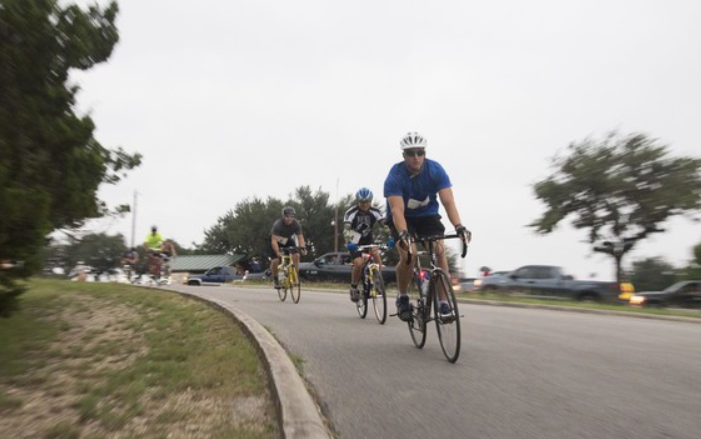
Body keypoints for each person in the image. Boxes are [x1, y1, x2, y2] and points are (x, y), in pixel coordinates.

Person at [383, 131, 472, 322]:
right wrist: (404, 234)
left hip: (427, 216)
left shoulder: (435, 170)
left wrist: (459, 226)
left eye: (420, 152)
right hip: (402, 218)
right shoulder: (395, 175)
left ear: (425, 153)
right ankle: (403, 296)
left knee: (439, 252)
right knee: (410, 254)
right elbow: (397, 210)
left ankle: (443, 304)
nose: (416, 157)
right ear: (403, 156)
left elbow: (448, 201)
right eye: (410, 153)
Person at [343, 187, 387, 302]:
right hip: (354, 239)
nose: (364, 204)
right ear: (358, 201)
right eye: (362, 202)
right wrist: (348, 242)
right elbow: (346, 229)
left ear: (370, 201)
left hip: (368, 238)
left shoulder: (375, 211)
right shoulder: (351, 212)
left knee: (376, 254)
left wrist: (392, 237)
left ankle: (377, 282)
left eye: (367, 202)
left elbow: (384, 225)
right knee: (359, 263)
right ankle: (353, 286)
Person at [269, 206, 307, 289]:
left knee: (296, 255)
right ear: (284, 216)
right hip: (276, 242)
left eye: (292, 217)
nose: (289, 219)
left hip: (287, 240)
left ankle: (295, 277)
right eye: (287, 217)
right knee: (275, 260)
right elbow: (274, 241)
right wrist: (277, 252)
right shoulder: (278, 225)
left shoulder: (296, 224)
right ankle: (275, 279)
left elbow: (300, 237)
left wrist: (302, 247)